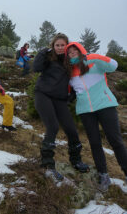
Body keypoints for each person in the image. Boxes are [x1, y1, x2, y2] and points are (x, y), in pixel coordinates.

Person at [64, 42, 127, 192]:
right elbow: (68, 91)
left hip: (105, 104)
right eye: (69, 52)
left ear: (81, 51)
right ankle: (103, 175)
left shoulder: (94, 63)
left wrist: (95, 57)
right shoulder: (69, 71)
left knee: (115, 140)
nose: (72, 54)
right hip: (85, 110)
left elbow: (113, 65)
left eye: (75, 51)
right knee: (94, 143)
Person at [33, 33, 89, 181]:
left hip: (60, 99)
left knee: (71, 128)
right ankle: (47, 165)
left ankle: (76, 160)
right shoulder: (47, 57)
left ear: (66, 46)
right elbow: (36, 68)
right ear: (53, 45)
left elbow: (78, 77)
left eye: (62, 45)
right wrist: (41, 53)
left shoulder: (70, 61)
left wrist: (72, 96)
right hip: (43, 94)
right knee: (53, 126)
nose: (59, 48)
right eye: (57, 45)